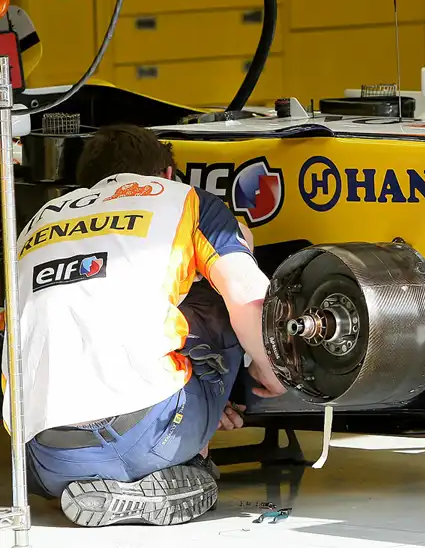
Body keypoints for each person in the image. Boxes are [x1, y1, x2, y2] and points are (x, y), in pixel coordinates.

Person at [1, 124, 288, 527]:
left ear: (87, 183)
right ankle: (186, 457)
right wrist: (269, 372)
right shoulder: (185, 201)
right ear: (167, 175)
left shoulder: (34, 223)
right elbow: (249, 296)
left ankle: (118, 478)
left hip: (42, 458)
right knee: (218, 291)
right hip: (147, 435)